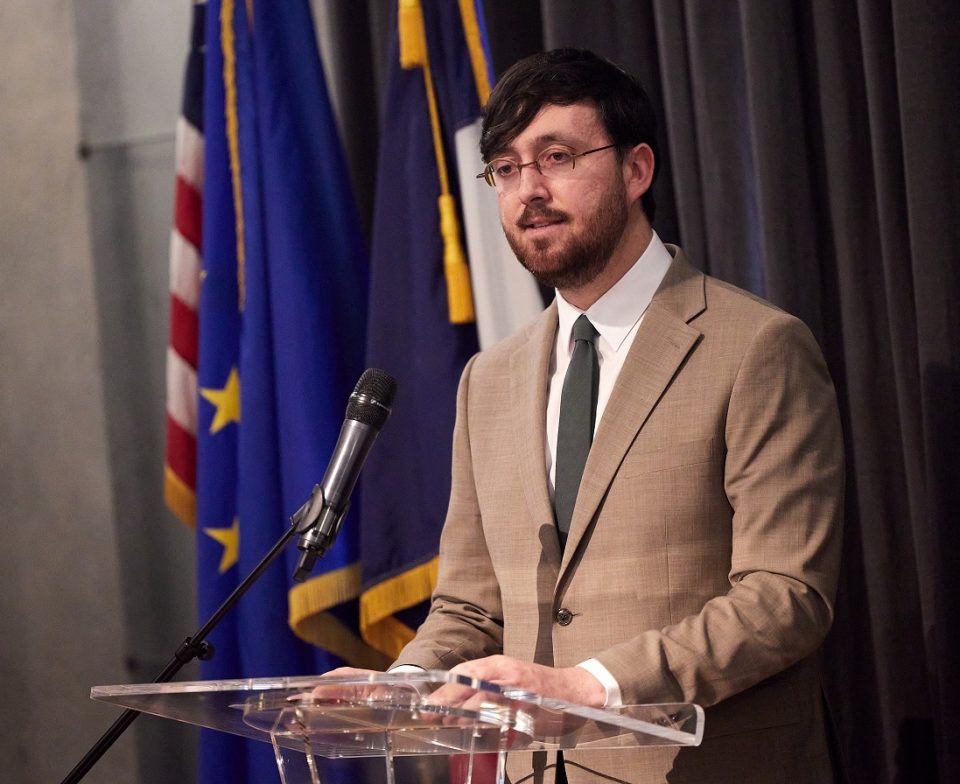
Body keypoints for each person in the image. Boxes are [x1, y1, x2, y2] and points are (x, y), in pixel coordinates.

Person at [333, 48, 844, 783]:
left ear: (637, 170)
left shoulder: (756, 349)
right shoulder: (489, 381)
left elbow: (784, 598)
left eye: (557, 157)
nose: (527, 191)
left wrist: (590, 689)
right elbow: (472, 606)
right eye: (505, 169)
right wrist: (403, 690)